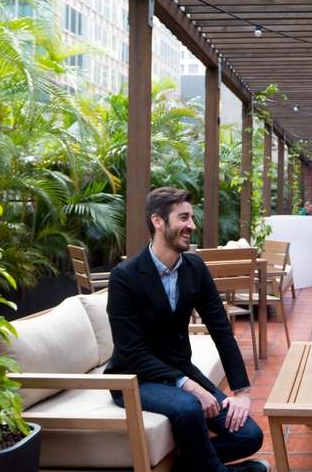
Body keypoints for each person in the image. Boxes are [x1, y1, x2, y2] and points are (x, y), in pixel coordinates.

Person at [105, 187, 269, 472]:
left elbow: (221, 329)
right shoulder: (125, 277)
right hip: (134, 378)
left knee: (249, 436)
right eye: (183, 218)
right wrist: (190, 385)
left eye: (192, 218)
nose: (192, 225)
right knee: (190, 405)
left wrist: (242, 391)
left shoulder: (194, 267)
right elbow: (132, 353)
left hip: (180, 370)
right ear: (158, 221)